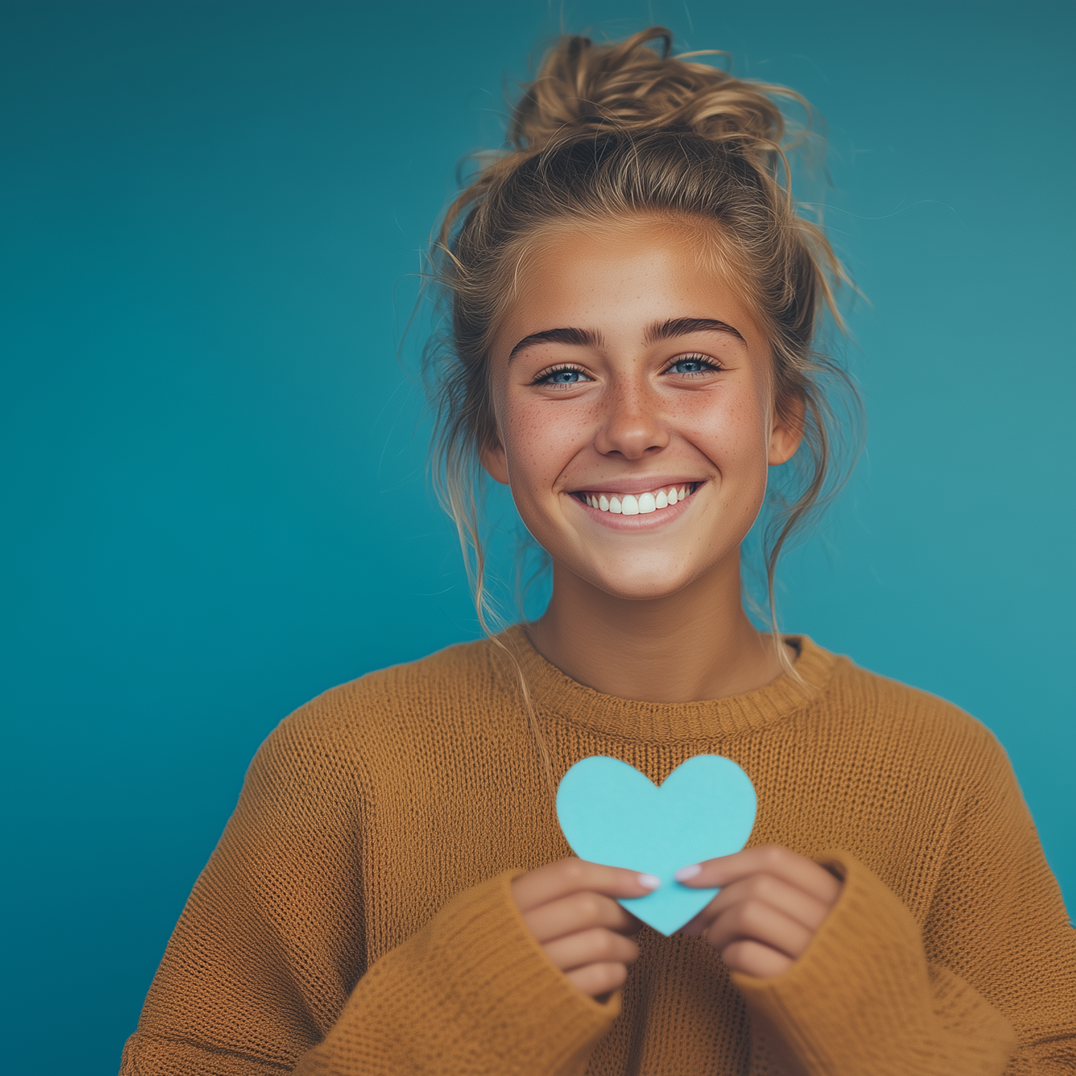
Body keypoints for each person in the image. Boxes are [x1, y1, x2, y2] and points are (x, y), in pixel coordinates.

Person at [120, 27, 1076, 1076]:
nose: (629, 425)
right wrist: (440, 1024)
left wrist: (885, 1024)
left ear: (781, 416)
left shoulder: (943, 774)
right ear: (489, 429)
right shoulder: (338, 764)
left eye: (690, 361)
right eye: (563, 374)